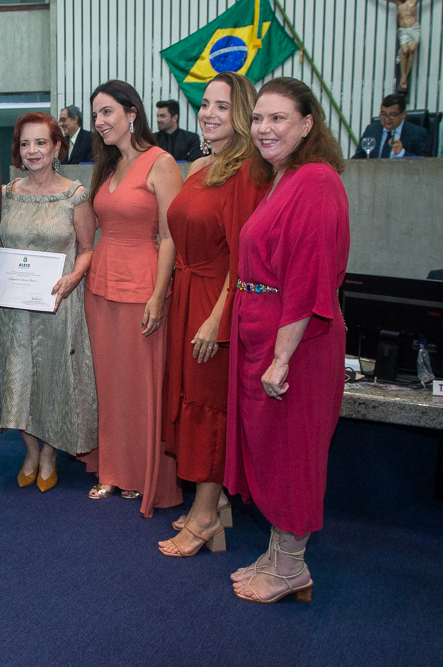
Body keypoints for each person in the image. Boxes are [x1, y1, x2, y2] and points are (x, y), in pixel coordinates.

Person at [226, 77, 350, 603]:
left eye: (278, 119)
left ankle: (292, 567)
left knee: (294, 454)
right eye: (258, 118)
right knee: (272, 450)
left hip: (297, 342)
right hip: (261, 329)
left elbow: (309, 275)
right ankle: (278, 555)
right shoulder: (281, 178)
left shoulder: (317, 180)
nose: (263, 128)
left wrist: (281, 358)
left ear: (307, 125)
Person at [158, 72, 267, 557]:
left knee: (209, 411)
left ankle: (203, 518)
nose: (208, 113)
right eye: (204, 104)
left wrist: (216, 319)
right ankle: (213, 502)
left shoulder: (247, 172)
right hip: (187, 295)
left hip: (214, 304)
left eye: (222, 106)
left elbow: (242, 259)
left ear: (242, 114)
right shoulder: (204, 166)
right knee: (190, 401)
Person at [80, 80, 184, 517]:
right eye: (96, 115)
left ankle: (143, 475)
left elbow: (171, 236)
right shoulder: (106, 166)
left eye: (107, 113)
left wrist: (159, 296)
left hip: (143, 287)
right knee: (109, 383)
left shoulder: (160, 163)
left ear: (131, 113)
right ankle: (113, 469)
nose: (99, 123)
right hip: (101, 288)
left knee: (141, 386)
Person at [0, 112, 98, 492]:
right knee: (16, 377)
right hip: (11, 310)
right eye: (26, 144)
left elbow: (87, 248)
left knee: (51, 377)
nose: (33, 151)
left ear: (57, 147)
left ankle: (49, 453)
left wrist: (75, 276)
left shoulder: (75, 194)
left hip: (57, 304)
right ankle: (29, 450)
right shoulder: (6, 193)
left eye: (41, 143)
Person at [351, 93, 428, 159]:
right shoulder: (371, 130)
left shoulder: (418, 133)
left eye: (392, 115)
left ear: (404, 114)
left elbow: (425, 165)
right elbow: (358, 158)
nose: (387, 119)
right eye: (383, 114)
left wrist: (401, 153)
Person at [387, 0, 421, 92]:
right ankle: (403, 75)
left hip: (414, 28)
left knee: (412, 50)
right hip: (404, 30)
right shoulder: (398, 3)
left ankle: (404, 78)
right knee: (404, 51)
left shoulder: (413, 2)